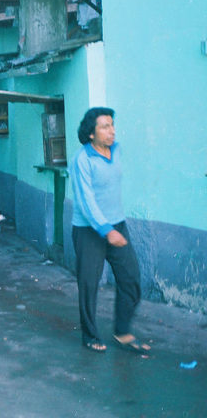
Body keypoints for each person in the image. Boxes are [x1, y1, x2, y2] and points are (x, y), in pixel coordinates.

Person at [70, 107, 150, 354]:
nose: (112, 130)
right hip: (89, 230)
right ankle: (90, 335)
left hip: (117, 225)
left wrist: (114, 228)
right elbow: (86, 200)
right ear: (91, 133)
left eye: (112, 124)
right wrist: (106, 230)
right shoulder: (81, 160)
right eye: (105, 126)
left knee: (131, 278)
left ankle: (122, 331)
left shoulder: (116, 150)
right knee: (89, 284)